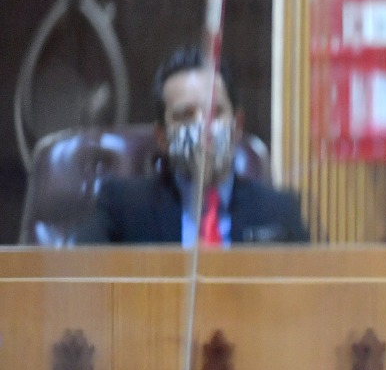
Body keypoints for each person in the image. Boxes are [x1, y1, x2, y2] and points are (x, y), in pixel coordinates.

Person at [77, 46, 309, 245]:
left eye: (214, 112)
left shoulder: (281, 211)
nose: (203, 126)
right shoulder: (122, 208)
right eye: (185, 115)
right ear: (162, 137)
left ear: (237, 126)